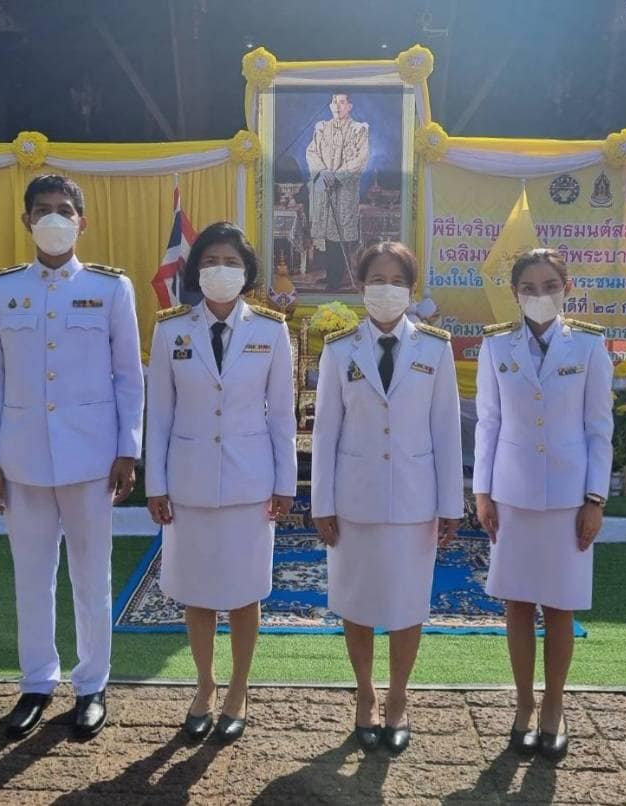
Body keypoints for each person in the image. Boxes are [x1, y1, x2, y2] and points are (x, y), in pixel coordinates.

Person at [0, 174, 144, 740]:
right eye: (43, 209)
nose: (54, 217)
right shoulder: (1, 290)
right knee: (32, 577)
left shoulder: (110, 288)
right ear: (26, 220)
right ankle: (36, 683)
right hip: (22, 460)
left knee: (92, 576)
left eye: (64, 209)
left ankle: (92, 685)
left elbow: (129, 376)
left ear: (82, 221)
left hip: (91, 459)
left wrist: (127, 448)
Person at [145, 222, 297, 743]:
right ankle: (205, 685)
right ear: (196, 270)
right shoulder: (171, 330)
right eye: (210, 261)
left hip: (249, 483)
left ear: (247, 271)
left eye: (231, 262)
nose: (220, 270)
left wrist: (285, 483)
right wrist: (155, 484)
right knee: (197, 592)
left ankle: (238, 688)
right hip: (187, 482)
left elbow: (282, 416)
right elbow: (159, 415)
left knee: (245, 592)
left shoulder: (270, 330)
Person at [311, 241, 464, 754]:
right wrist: (322, 503)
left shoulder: (435, 349)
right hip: (354, 500)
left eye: (398, 281)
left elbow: (446, 431)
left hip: (415, 501)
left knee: (406, 604)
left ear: (411, 290)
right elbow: (325, 432)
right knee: (356, 601)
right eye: (377, 279)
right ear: (360, 286)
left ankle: (398, 697)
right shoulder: (339, 349)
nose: (387, 289)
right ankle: (366, 694)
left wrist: (451, 505)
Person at [473, 247, 613, 760]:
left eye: (550, 286)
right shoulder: (496, 346)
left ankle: (554, 704)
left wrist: (595, 499)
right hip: (512, 494)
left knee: (559, 606)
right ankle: (524, 704)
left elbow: (598, 428)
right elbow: (489, 423)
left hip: (569, 498)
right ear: (515, 294)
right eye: (529, 288)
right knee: (516, 604)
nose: (540, 296)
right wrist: (482, 491)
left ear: (567, 288)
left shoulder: (589, 346)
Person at [305, 92, 369, 291]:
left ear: (349, 106)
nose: (337, 106)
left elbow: (361, 159)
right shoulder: (321, 127)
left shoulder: (359, 129)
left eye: (341, 102)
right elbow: (311, 152)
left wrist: (337, 176)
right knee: (325, 234)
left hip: (344, 190)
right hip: (323, 187)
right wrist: (323, 171)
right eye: (334, 102)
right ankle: (330, 274)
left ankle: (337, 278)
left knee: (338, 234)